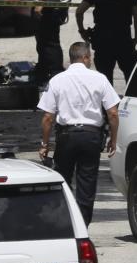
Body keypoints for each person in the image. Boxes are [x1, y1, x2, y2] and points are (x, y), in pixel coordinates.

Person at [38, 42, 120, 225]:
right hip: (91, 136)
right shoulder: (99, 79)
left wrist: (44, 144)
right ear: (84, 57)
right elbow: (113, 113)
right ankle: (82, 227)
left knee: (62, 181)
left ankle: (64, 224)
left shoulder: (57, 80)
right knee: (87, 185)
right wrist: (113, 140)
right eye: (89, 57)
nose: (90, 60)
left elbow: (47, 118)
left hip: (66, 137)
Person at [76, 0, 137, 85]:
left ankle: (108, 103)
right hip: (123, 39)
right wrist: (136, 37)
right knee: (131, 77)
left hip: (102, 40)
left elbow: (79, 11)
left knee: (105, 80)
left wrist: (82, 31)